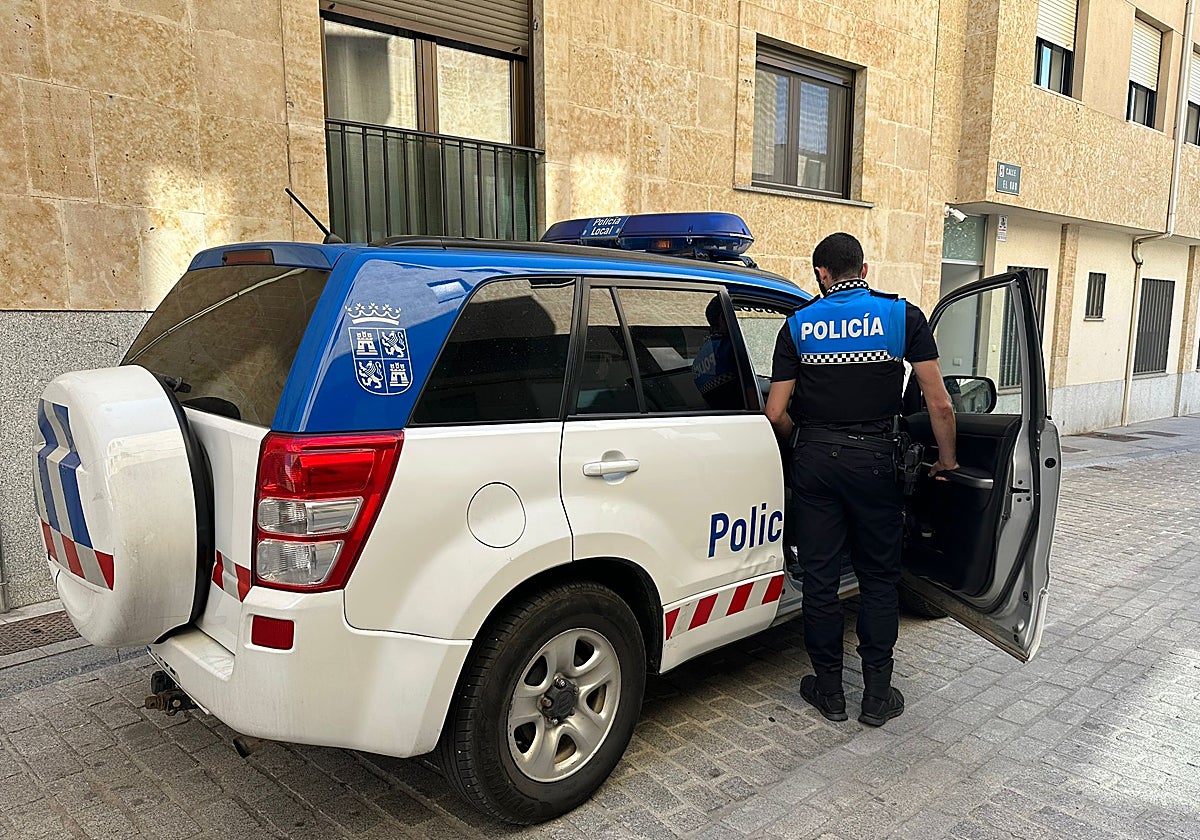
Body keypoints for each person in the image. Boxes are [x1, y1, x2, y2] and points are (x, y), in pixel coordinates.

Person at [765, 232, 957, 727]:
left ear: (822, 275)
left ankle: (829, 691)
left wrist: (801, 440)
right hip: (877, 463)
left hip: (816, 463)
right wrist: (947, 461)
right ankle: (876, 695)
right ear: (864, 270)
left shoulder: (799, 324)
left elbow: (775, 411)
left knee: (821, 579)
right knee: (878, 579)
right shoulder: (901, 316)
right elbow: (938, 402)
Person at [691, 295, 744, 410]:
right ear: (722, 318)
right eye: (734, 316)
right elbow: (750, 394)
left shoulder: (700, 356)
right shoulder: (730, 348)